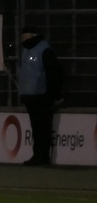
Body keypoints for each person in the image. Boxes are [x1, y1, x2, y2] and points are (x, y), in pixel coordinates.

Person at [18, 25, 64, 166]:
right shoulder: (27, 50)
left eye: (24, 34)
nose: (22, 37)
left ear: (32, 35)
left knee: (42, 128)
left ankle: (43, 157)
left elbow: (54, 74)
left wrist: (55, 95)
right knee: (37, 128)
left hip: (42, 96)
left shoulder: (44, 50)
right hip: (31, 95)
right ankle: (37, 155)